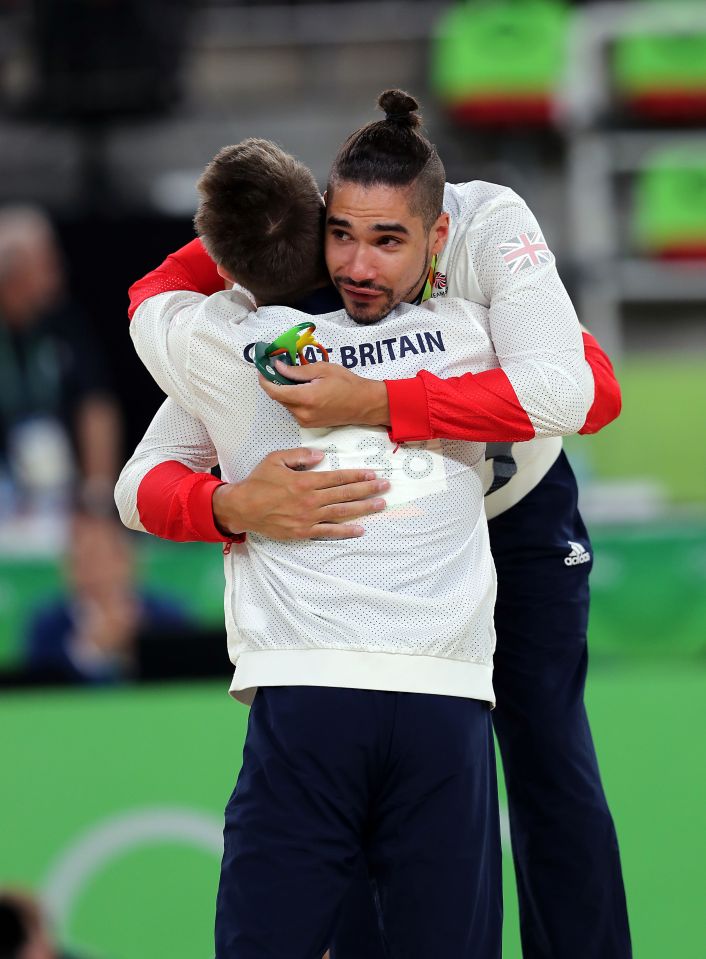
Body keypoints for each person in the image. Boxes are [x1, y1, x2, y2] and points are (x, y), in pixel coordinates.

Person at [119, 91, 629, 958]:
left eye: (387, 240)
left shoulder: (487, 228)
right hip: (393, 571)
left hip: (519, 507)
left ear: (433, 236)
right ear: (316, 216)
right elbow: (158, 351)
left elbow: (593, 395)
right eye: (340, 234)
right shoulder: (290, 274)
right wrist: (226, 506)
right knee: (371, 812)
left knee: (545, 747)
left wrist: (380, 402)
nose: (356, 263)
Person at [0, 206, 121, 517]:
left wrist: (98, 493)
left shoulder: (64, 322)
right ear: (12, 273)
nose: (58, 273)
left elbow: (96, 406)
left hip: (56, 496)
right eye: (46, 265)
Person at [24, 510, 191, 684]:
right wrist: (91, 647)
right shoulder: (47, 625)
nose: (98, 570)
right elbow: (38, 684)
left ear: (129, 561)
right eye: (87, 559)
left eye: (107, 557)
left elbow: (189, 673)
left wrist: (136, 644)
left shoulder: (168, 615)